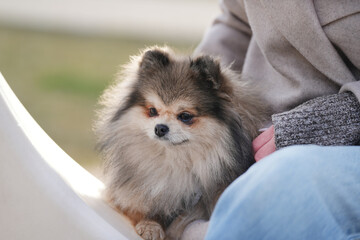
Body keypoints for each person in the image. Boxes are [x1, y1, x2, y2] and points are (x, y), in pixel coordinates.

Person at [182, 0, 360, 239]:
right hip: (261, 127)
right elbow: (237, 22)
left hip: (335, 147)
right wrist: (188, 90)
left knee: (283, 186)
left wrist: (337, 119)